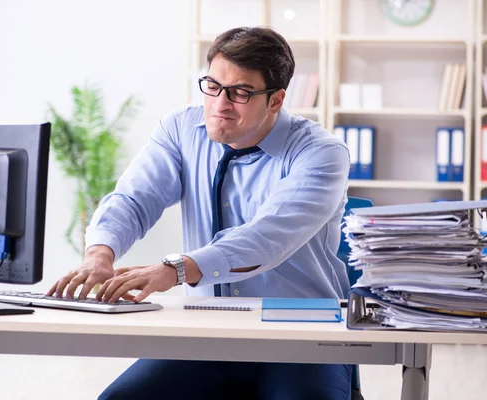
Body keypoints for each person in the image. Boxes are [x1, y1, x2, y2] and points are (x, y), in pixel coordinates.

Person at [47, 26, 352, 400]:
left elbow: (268, 236)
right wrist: (100, 254)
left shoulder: (321, 153)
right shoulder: (181, 130)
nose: (220, 104)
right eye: (212, 85)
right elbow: (134, 197)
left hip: (302, 336)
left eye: (240, 92)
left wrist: (175, 269)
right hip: (209, 331)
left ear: (276, 100)